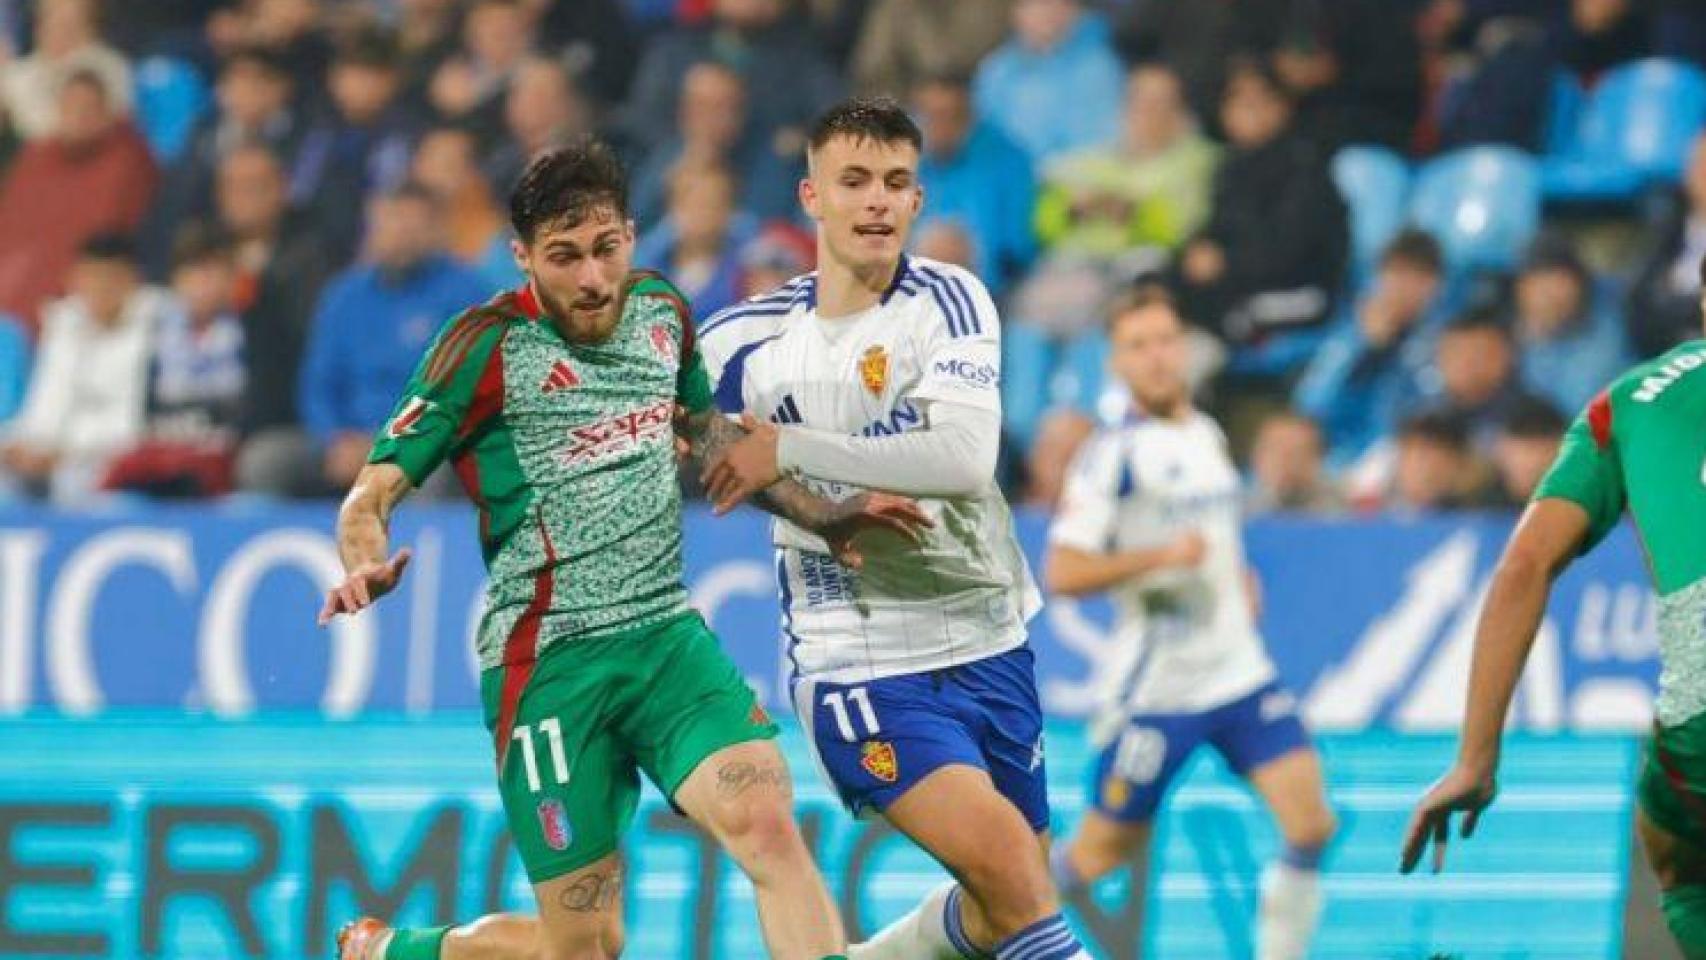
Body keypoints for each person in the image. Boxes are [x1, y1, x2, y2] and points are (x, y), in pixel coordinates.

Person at [328, 139, 938, 960]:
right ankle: (395, 951)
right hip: (549, 666)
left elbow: (710, 436)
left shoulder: (661, 312)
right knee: (584, 945)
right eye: (564, 257)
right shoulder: (482, 347)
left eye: (607, 249)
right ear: (523, 257)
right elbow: (372, 491)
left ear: (631, 235)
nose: (593, 279)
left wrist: (829, 513)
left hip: (664, 641)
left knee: (767, 826)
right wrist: (362, 556)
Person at [697, 97, 1096, 960]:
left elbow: (960, 456)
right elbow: (688, 444)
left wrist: (788, 448)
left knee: (1004, 901)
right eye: (854, 182)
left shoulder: (949, 300)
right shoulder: (741, 345)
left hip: (989, 638)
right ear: (812, 197)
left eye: (896, 183)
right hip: (861, 658)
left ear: (917, 201)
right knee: (1025, 897)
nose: (877, 201)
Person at [1401, 261, 1706, 959]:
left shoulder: (1628, 401)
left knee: (1682, 864)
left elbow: (1523, 566)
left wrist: (1474, 759)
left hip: (1700, 710)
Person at [1044, 287, 1336, 960]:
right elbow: (1062, 571)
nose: (1156, 357)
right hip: (1157, 691)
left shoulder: (1206, 433)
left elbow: (1214, 531)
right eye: (1137, 346)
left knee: (1312, 822)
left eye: (1165, 340)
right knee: (1098, 855)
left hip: (1237, 672)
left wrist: (1237, 577)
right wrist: (1159, 559)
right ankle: (984, 930)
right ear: (1116, 363)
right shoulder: (1111, 455)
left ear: (1185, 347)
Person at [297, 182, 493, 497]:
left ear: (436, 230)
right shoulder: (344, 295)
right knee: (266, 461)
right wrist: (334, 438)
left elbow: (462, 391)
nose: (398, 234)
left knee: (436, 472)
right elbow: (319, 383)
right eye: (389, 223)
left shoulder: (468, 293)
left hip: (427, 442)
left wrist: (388, 444)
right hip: (348, 442)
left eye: (410, 224)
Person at [0, 234, 168, 503]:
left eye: (110, 278)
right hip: (50, 459)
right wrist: (18, 446)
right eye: (90, 277)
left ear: (132, 280)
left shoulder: (157, 331)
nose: (99, 288)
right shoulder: (63, 325)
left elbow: (133, 424)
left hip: (110, 462)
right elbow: (43, 407)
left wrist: (64, 453)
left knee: (72, 482)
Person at [0, 69, 156, 327]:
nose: (78, 116)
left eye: (88, 107)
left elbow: (107, 238)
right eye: (70, 106)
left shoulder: (127, 161)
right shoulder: (36, 158)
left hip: (79, 308)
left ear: (107, 113)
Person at [102, 223, 247, 498]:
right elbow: (146, 408)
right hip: (166, 451)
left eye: (211, 271)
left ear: (232, 278)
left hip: (226, 455)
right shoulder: (157, 334)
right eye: (191, 272)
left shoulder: (252, 331)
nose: (201, 284)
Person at [1294, 229, 1451, 466]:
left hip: (1407, 466)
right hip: (1337, 465)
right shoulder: (1347, 335)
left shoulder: (1444, 339)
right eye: (1397, 275)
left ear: (1436, 286)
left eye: (1419, 278)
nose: (1405, 289)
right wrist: (1363, 346)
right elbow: (1310, 404)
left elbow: (1437, 411)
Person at [972, 0, 1124, 167]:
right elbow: (979, 137)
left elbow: (1093, 148)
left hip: (1066, 183)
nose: (1050, 11)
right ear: (1017, 11)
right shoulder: (996, 69)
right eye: (1039, 3)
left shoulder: (1098, 69)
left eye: (1061, 3)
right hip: (1004, 179)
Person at [1247, 409, 1342, 514]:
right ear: (1256, 457)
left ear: (1318, 459)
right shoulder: (1236, 511)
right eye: (1276, 451)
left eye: (1297, 452)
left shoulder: (1343, 513)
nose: (1285, 462)